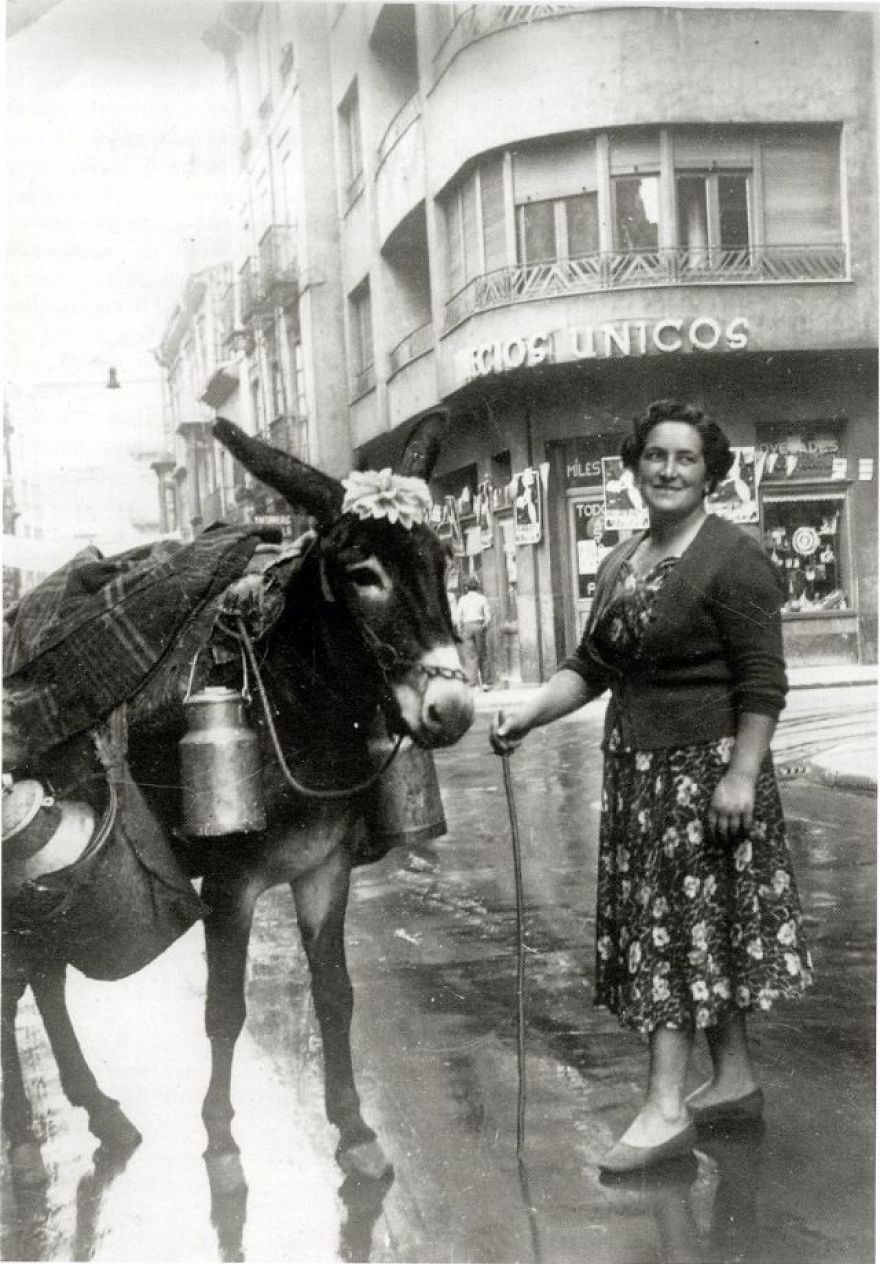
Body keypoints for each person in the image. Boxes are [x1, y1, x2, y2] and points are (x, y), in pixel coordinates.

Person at [490, 400, 812, 1175]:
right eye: (656, 456)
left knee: (675, 937)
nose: (668, 470)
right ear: (636, 467)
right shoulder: (621, 561)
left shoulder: (734, 556)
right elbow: (591, 667)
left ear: (710, 474)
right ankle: (731, 1082)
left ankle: (666, 1110)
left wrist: (740, 774)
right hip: (640, 776)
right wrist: (528, 713)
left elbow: (765, 684)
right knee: (698, 932)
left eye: (686, 459)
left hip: (708, 778)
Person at [456, 575, 492, 689]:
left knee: (471, 656)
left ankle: (473, 683)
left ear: (467, 588)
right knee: (483, 654)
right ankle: (485, 683)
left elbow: (458, 617)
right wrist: (484, 626)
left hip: (467, 627)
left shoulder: (462, 599)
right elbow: (488, 616)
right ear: (477, 587)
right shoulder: (482, 598)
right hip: (478, 625)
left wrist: (460, 629)